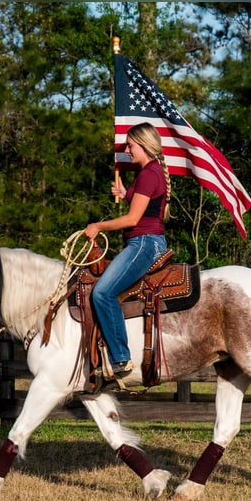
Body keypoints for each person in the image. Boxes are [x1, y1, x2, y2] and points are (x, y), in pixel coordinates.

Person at [84, 122, 171, 375]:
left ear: (142, 145)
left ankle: (120, 358)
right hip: (146, 240)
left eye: (130, 145)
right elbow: (147, 208)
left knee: (102, 293)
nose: (126, 149)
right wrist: (126, 193)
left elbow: (133, 220)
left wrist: (98, 226)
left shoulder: (148, 174)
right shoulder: (149, 172)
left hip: (144, 242)